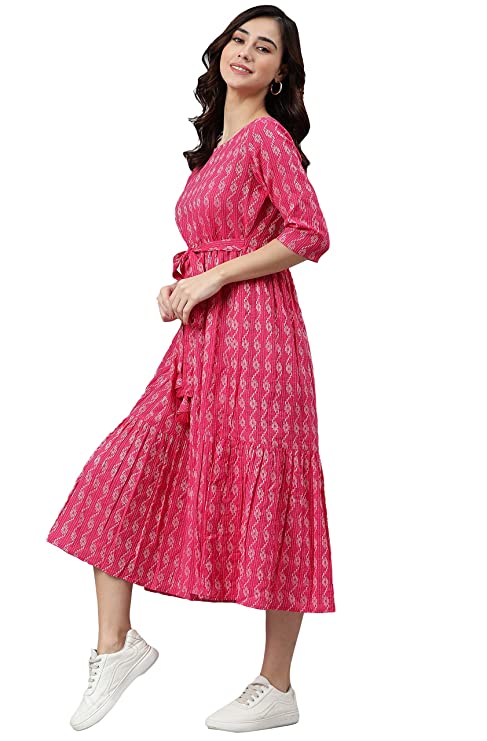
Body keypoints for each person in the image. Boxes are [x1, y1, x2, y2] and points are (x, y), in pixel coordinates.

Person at [46, 6, 336, 733]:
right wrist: (184, 285)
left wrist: (212, 278)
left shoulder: (267, 138)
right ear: (220, 51)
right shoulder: (215, 149)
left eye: (264, 48)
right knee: (121, 468)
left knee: (272, 487)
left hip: (261, 339)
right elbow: (220, 246)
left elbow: (309, 233)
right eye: (239, 39)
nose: (246, 53)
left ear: (280, 75)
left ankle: (276, 686)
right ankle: (117, 646)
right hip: (202, 337)